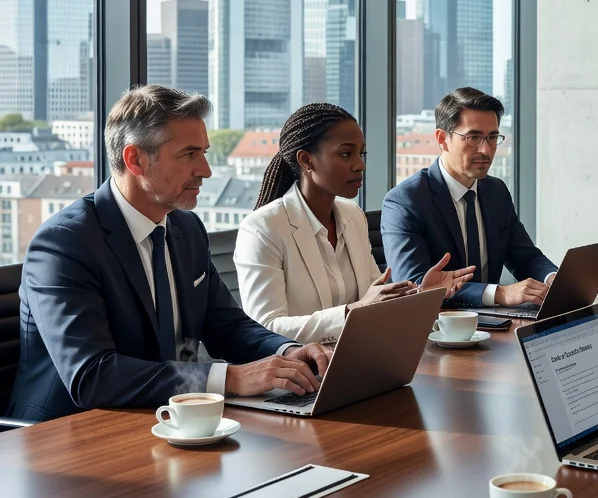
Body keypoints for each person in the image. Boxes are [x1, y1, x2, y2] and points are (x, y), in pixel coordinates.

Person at [8, 86, 332, 422]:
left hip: (167, 420)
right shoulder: (64, 244)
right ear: (135, 159)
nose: (206, 170)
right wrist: (232, 379)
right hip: (68, 436)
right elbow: (92, 375)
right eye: (189, 154)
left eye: (204, 152)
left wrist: (290, 352)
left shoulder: (186, 228)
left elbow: (228, 327)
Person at [234, 103, 474, 343]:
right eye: (346, 154)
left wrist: (421, 294)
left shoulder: (353, 216)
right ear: (306, 160)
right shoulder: (263, 228)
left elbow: (375, 301)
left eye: (362, 154)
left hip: (359, 358)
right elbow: (265, 327)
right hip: (298, 372)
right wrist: (353, 311)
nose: (360, 165)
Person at [381, 87, 556, 309]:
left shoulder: (496, 191)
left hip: (495, 324)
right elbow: (412, 284)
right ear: (442, 139)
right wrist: (499, 293)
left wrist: (552, 278)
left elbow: (524, 257)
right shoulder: (406, 201)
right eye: (473, 137)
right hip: (438, 327)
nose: (485, 149)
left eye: (492, 137)